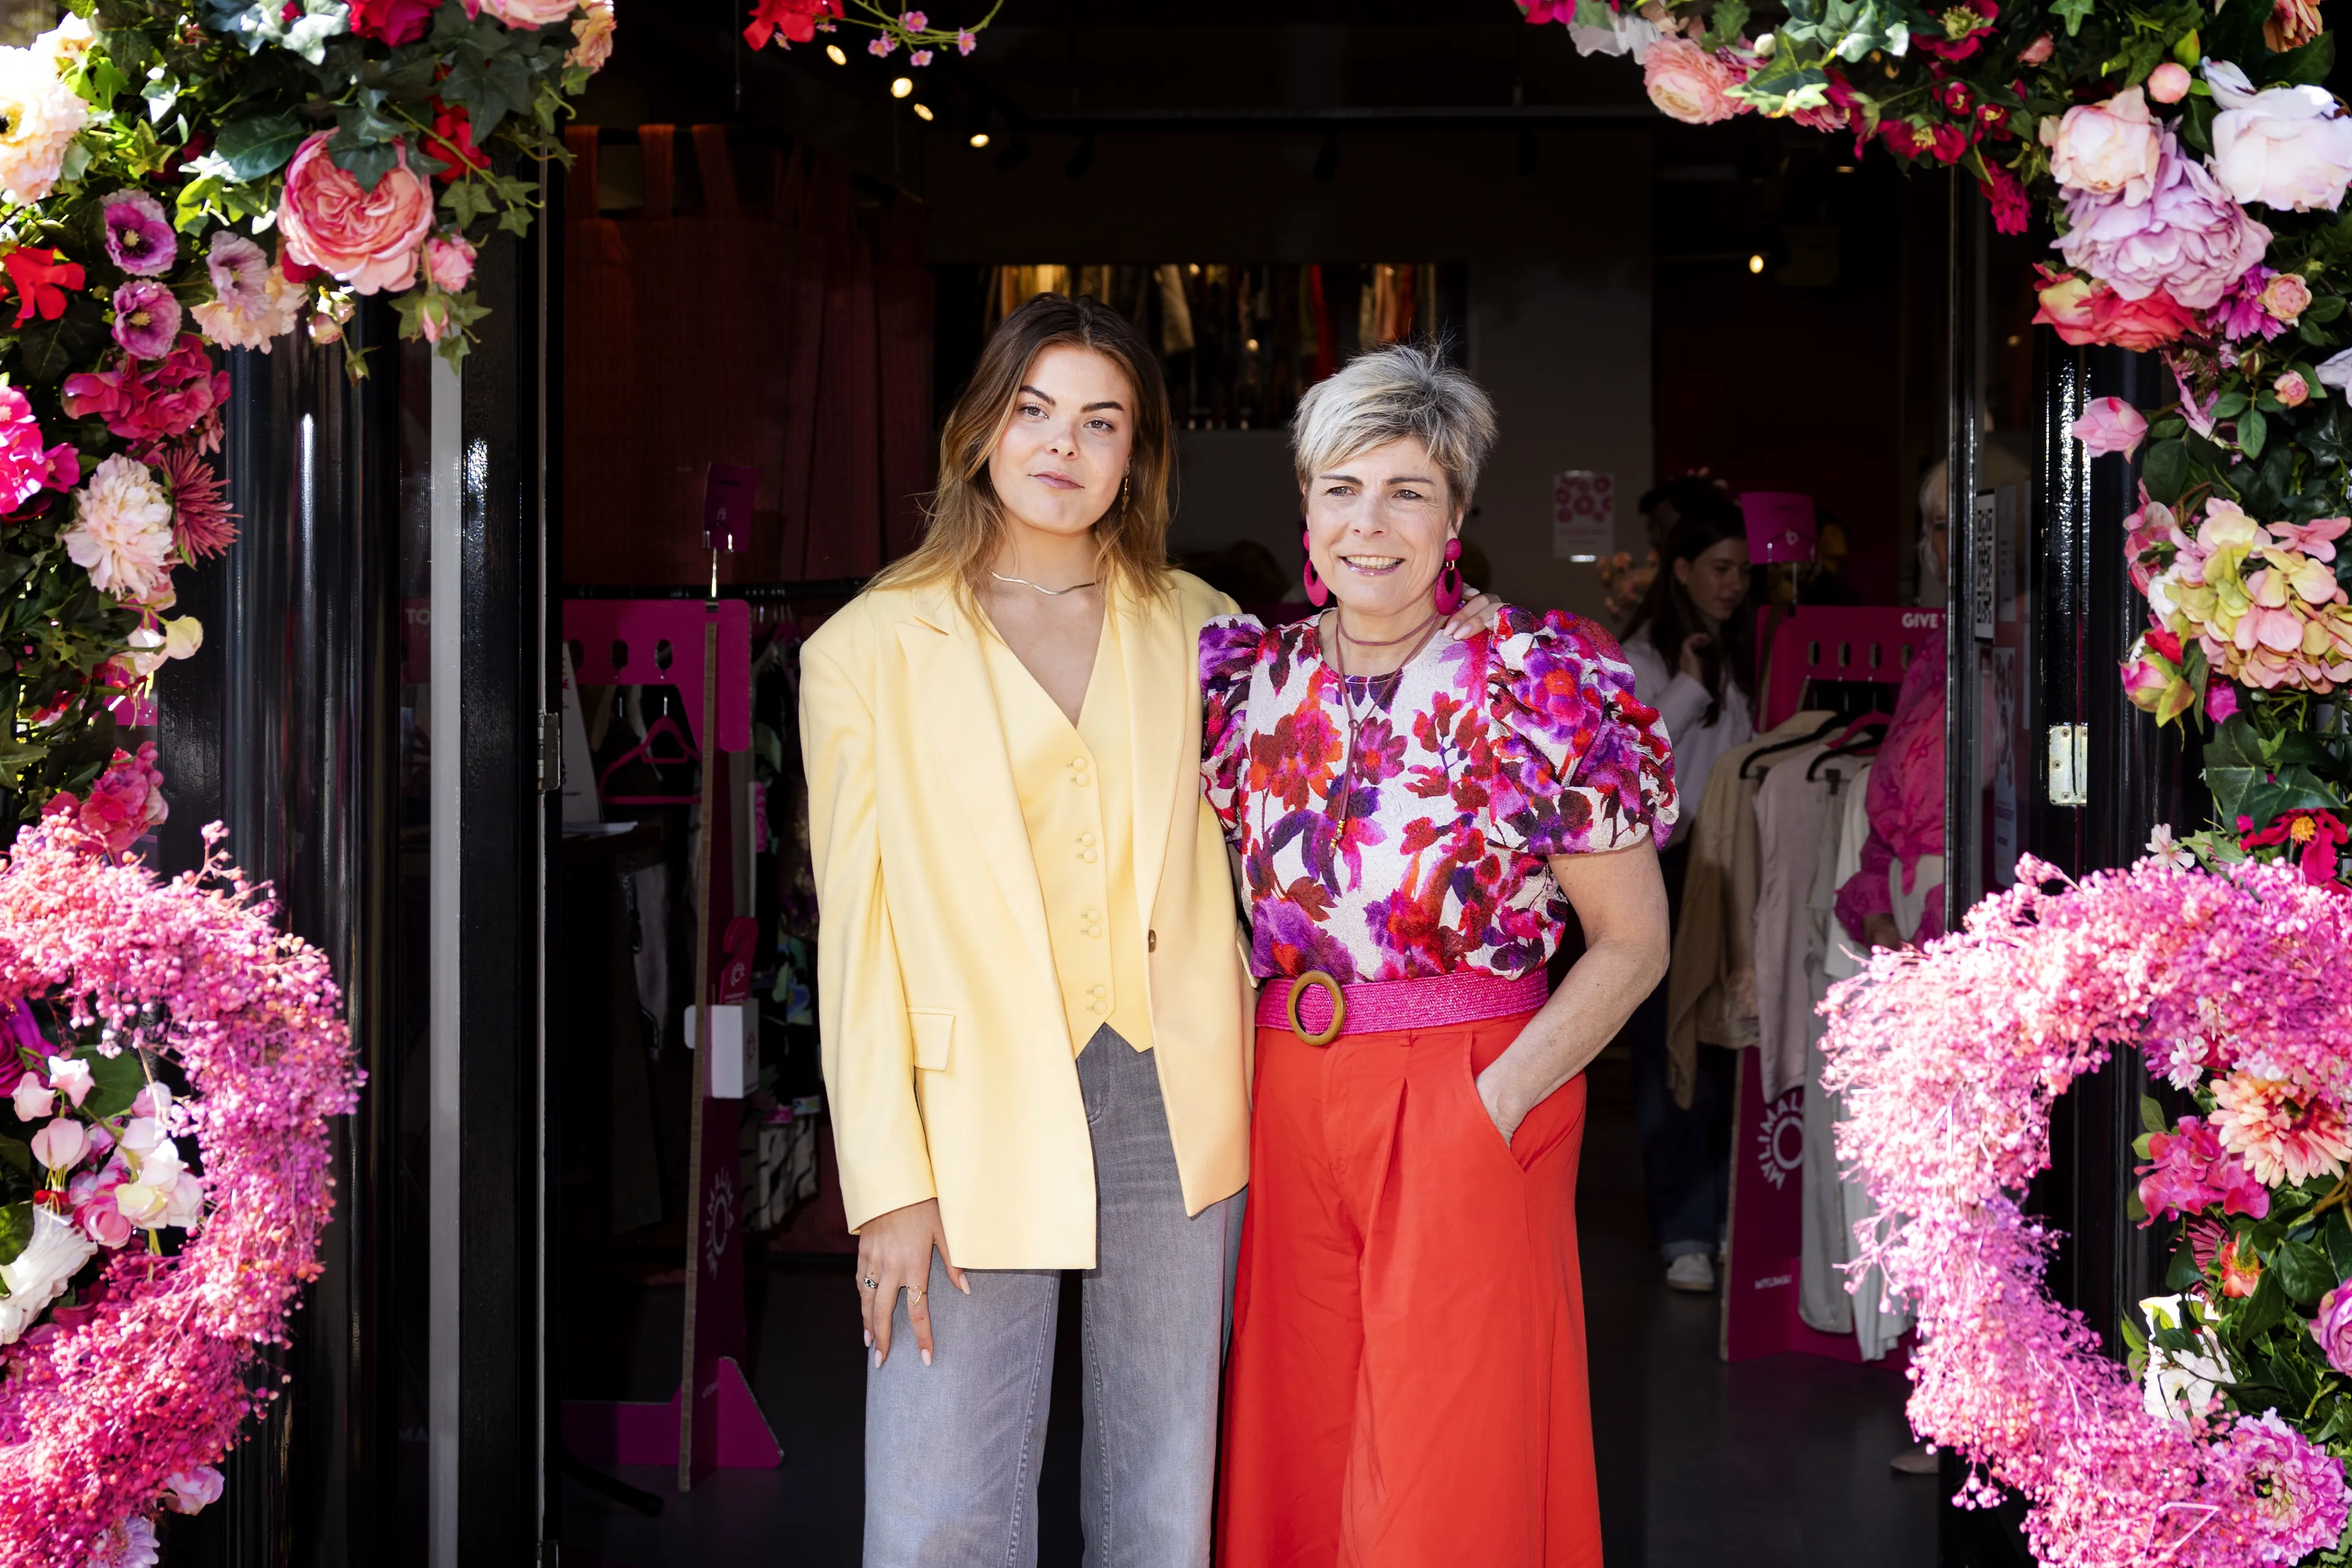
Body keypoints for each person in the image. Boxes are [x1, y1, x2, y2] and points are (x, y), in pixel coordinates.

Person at [1200, 343, 1676, 1567]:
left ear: (1456, 513)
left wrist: (1496, 1100)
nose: (1372, 523)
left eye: (1408, 490)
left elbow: (1635, 943)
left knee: (1444, 1471)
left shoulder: (1545, 677)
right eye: (1342, 486)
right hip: (1282, 1094)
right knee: (1298, 1450)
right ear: (1304, 506)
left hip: (1470, 1079)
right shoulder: (1244, 680)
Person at [799, 293, 1254, 1568]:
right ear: (980, 430)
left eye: (1101, 421)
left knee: (1164, 1493)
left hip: (1173, 1088)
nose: (1064, 444)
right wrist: (887, 1181)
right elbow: (858, 935)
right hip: (964, 1108)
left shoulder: (1208, 628)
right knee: (945, 1496)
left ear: (1136, 455)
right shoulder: (869, 648)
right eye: (1035, 408)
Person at [1615, 502, 1757, 1292]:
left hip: (1732, 870)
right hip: (1666, 873)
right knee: (1671, 1059)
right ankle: (1683, 1231)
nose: (1733, 585)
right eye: (1718, 569)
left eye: (1741, 571)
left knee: (1729, 1044)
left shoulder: (1742, 655)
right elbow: (1622, 772)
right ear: (1680, 572)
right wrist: (1688, 691)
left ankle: (1725, 1216)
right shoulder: (1642, 660)